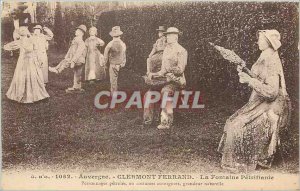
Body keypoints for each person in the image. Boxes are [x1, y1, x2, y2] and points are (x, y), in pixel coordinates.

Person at [217, 30, 291, 172]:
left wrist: (249, 80)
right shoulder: (265, 56)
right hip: (262, 102)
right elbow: (259, 79)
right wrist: (245, 70)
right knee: (233, 121)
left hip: (271, 105)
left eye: (260, 39)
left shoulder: (272, 61)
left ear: (268, 42)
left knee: (237, 125)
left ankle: (242, 160)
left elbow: (272, 92)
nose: (257, 41)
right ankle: (237, 157)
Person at [147, 27, 188, 129]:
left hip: (176, 81)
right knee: (149, 93)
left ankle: (166, 122)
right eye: (166, 35)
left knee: (165, 92)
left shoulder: (181, 51)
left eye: (169, 35)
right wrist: (154, 74)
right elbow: (163, 70)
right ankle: (148, 120)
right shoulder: (166, 49)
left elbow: (180, 69)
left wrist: (168, 70)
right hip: (165, 79)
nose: (167, 37)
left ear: (175, 37)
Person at [3, 26, 49, 103]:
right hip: (22, 61)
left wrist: (39, 59)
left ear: (27, 31)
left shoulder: (31, 39)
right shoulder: (19, 42)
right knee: (22, 76)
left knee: (34, 76)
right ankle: (21, 94)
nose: (23, 31)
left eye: (24, 30)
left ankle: (36, 95)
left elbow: (35, 49)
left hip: (31, 60)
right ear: (19, 33)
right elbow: (7, 47)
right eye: (21, 30)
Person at [49, 25, 87, 93]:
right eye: (76, 30)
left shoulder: (81, 42)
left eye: (77, 31)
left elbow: (78, 52)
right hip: (75, 59)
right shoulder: (75, 40)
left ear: (82, 33)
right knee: (77, 73)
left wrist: (73, 61)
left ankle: (57, 70)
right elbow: (70, 49)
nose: (76, 31)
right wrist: (67, 56)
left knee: (66, 63)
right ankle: (77, 87)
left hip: (79, 60)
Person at [143, 26, 167, 126]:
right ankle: (150, 74)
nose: (159, 33)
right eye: (159, 32)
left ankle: (161, 118)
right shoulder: (157, 41)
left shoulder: (166, 41)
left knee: (160, 61)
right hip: (156, 56)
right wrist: (150, 56)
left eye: (161, 32)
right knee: (150, 60)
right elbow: (153, 51)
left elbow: (166, 51)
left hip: (163, 56)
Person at [103, 26, 126, 93]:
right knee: (120, 79)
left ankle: (114, 94)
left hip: (113, 64)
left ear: (112, 35)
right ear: (120, 35)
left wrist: (104, 63)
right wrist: (123, 63)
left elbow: (105, 54)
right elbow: (124, 54)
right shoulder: (123, 44)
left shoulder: (110, 44)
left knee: (113, 80)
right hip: (120, 63)